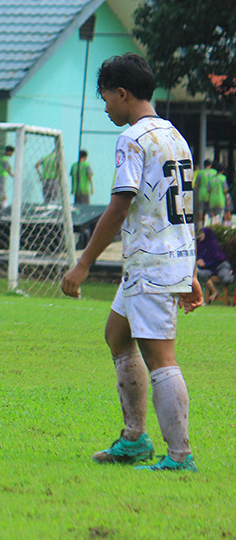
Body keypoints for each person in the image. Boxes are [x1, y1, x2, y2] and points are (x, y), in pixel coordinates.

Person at [61, 53, 202, 473]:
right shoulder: (175, 136)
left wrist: (82, 264)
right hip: (165, 260)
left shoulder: (134, 139)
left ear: (122, 94)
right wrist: (190, 271)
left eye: (105, 98)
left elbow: (119, 207)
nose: (105, 107)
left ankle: (180, 456)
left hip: (152, 263)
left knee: (162, 358)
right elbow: (185, 211)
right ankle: (135, 439)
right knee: (117, 335)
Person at [196, 227, 233, 305]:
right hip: (208, 269)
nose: (201, 235)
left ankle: (230, 274)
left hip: (220, 266)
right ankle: (215, 291)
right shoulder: (200, 244)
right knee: (199, 273)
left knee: (226, 279)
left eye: (202, 233)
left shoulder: (214, 244)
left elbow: (218, 259)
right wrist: (199, 260)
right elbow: (198, 255)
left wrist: (205, 264)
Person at [192, 159, 216, 228]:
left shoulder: (200, 173)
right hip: (211, 194)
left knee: (201, 211)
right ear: (210, 165)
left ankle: (200, 228)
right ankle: (212, 227)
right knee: (211, 212)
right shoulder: (214, 172)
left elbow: (197, 184)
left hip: (202, 193)